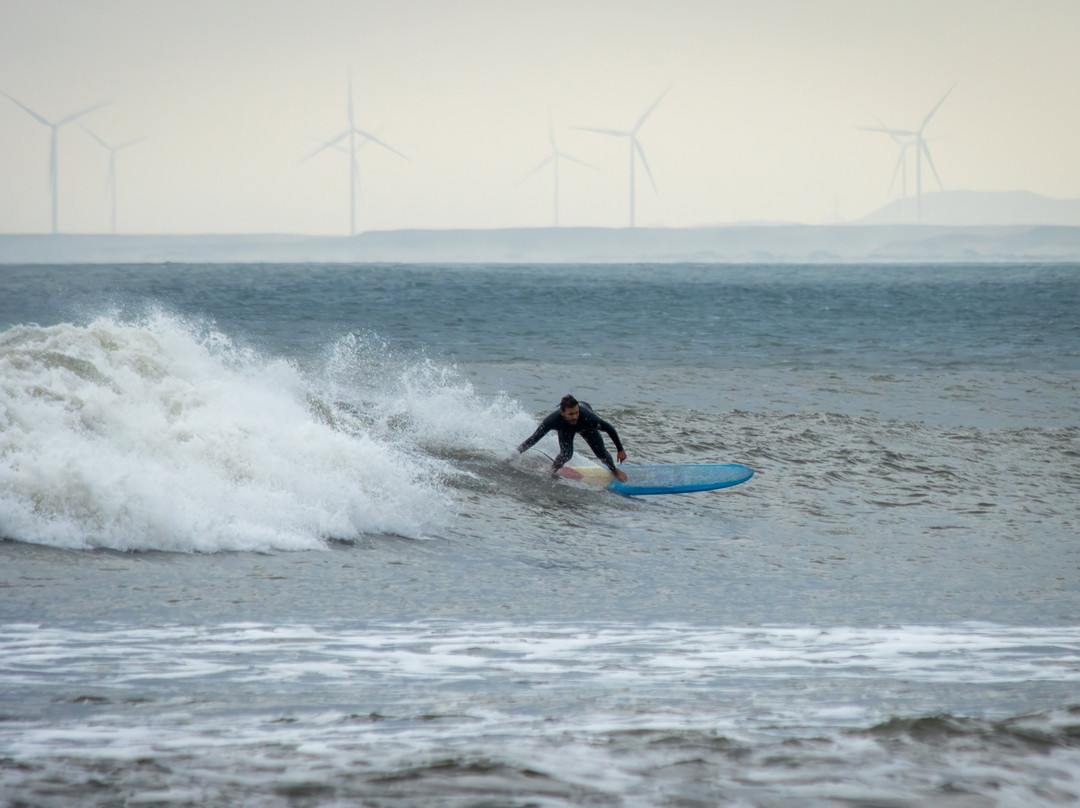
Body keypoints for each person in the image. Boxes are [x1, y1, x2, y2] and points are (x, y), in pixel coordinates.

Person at [517, 394, 628, 482]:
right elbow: (534, 439)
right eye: (571, 414)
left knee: (601, 453)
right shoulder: (553, 420)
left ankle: (614, 470)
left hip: (585, 427)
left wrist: (620, 449)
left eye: (576, 413)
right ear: (562, 413)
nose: (575, 416)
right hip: (565, 428)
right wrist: (516, 453)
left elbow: (609, 428)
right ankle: (553, 470)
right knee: (566, 454)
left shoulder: (587, 418)